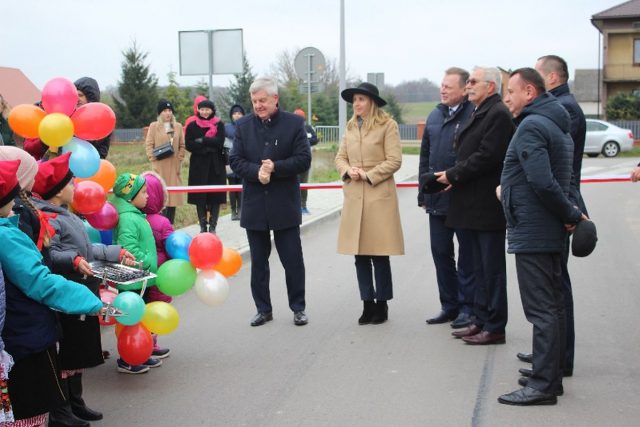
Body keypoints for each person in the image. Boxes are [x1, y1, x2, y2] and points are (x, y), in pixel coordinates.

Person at [497, 68, 588, 406]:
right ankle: (549, 375)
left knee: (541, 310)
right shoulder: (555, 123)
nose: (507, 98)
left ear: (530, 93)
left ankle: (543, 386)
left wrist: (571, 214)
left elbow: (542, 181)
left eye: (512, 91)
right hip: (546, 229)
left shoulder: (533, 125)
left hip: (535, 230)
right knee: (553, 306)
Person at [0, 159, 105, 427]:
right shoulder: (6, 237)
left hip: (18, 333)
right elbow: (40, 282)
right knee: (29, 414)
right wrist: (90, 301)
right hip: (25, 333)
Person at [32, 153, 135, 425]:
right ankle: (64, 408)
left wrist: (116, 251)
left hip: (83, 289)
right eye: (70, 182)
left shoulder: (65, 213)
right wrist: (74, 260)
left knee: (78, 354)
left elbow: (87, 249)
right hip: (69, 293)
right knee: (68, 354)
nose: (75, 184)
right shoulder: (49, 218)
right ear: (55, 192)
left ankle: (76, 402)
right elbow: (50, 253)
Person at [437, 67, 515, 345]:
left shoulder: (497, 115)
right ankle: (480, 319)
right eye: (468, 81)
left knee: (491, 270)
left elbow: (487, 157)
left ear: (490, 86)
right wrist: (452, 177)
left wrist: (453, 175)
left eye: (473, 81)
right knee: (479, 269)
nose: (468, 85)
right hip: (470, 204)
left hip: (485, 206)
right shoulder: (480, 110)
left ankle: (494, 326)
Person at [229, 76, 311, 327]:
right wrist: (257, 172)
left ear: (275, 99)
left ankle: (298, 308)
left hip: (284, 204)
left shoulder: (294, 124)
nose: (258, 105)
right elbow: (235, 160)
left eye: (263, 100)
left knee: (292, 260)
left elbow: (303, 159)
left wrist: (275, 167)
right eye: (254, 101)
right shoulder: (243, 126)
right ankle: (263, 309)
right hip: (255, 206)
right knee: (259, 264)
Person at [335, 82, 404, 325]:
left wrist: (369, 174)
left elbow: (395, 160)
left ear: (372, 102)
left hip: (378, 196)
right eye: (354, 100)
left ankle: (382, 304)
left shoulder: (388, 126)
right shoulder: (351, 127)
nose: (356, 104)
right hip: (355, 197)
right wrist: (347, 170)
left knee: (379, 253)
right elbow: (340, 157)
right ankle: (367, 303)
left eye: (361, 100)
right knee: (360, 255)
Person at [418, 68, 475, 328]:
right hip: (437, 199)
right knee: (441, 252)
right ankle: (448, 305)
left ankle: (467, 307)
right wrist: (423, 192)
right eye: (442, 86)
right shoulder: (434, 115)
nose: (443, 90)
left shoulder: (472, 115)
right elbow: (425, 158)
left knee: (466, 256)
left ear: (464, 90)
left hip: (462, 198)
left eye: (449, 87)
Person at [111, 172, 161, 374]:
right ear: (130, 197)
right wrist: (146, 261)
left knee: (139, 320)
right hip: (132, 278)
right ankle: (127, 359)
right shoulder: (128, 218)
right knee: (130, 320)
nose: (147, 196)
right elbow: (128, 246)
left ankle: (140, 353)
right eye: (143, 192)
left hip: (140, 278)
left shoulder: (133, 214)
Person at [140, 171, 173, 358]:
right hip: (160, 271)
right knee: (156, 307)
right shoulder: (163, 222)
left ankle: (141, 344)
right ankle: (151, 344)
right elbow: (170, 246)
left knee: (142, 308)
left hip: (141, 270)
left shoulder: (135, 219)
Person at [185, 99, 226, 234]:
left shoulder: (219, 124)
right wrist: (206, 147)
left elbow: (219, 141)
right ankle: (203, 226)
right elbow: (189, 144)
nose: (204, 112)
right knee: (199, 196)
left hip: (216, 165)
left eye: (207, 109)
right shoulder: (192, 125)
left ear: (212, 110)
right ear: (198, 110)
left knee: (216, 196)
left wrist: (203, 140)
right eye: (202, 109)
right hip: (198, 165)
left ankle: (213, 226)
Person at [144, 99, 186, 225]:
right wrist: (153, 158)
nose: (168, 113)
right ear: (160, 113)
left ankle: (170, 225)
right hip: (159, 167)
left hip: (174, 168)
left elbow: (182, 145)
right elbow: (149, 144)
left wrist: (179, 159)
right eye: (164, 111)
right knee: (160, 196)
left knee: (172, 198)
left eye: (169, 110)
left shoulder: (177, 126)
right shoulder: (154, 126)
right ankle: (160, 225)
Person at [74, 77, 111, 159]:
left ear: (90, 97)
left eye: (80, 95)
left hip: (92, 165)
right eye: (75, 95)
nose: (77, 98)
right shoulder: (69, 117)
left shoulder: (100, 119)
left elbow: (99, 150)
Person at [293, 108, 318, 214]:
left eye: (301, 117)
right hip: (294, 161)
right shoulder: (291, 128)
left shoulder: (308, 128)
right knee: (294, 183)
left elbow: (315, 139)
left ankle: (303, 206)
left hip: (306, 161)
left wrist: (305, 141)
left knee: (304, 184)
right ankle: (295, 206)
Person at [225, 104, 246, 221]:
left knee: (242, 186)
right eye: (235, 113)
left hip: (243, 160)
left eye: (239, 113)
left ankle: (242, 210)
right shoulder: (226, 127)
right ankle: (233, 210)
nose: (237, 116)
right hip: (229, 160)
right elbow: (224, 146)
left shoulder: (247, 126)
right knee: (232, 187)